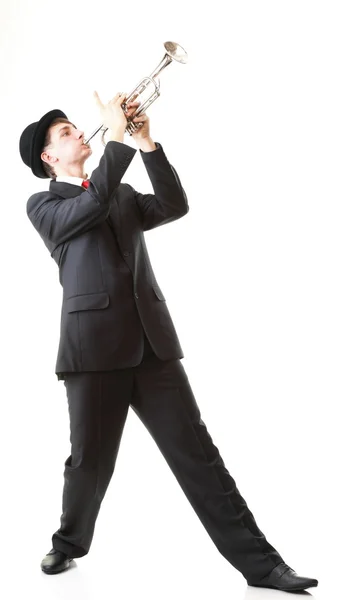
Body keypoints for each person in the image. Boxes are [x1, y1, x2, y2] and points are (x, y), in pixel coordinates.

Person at [19, 91, 318, 592]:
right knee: (89, 464)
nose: (78, 132)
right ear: (49, 158)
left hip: (152, 347)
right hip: (92, 352)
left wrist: (146, 143)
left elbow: (174, 205)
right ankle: (69, 544)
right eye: (66, 132)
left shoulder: (118, 191)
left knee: (200, 457)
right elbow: (88, 208)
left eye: (75, 125)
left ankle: (263, 566)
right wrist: (115, 139)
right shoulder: (44, 205)